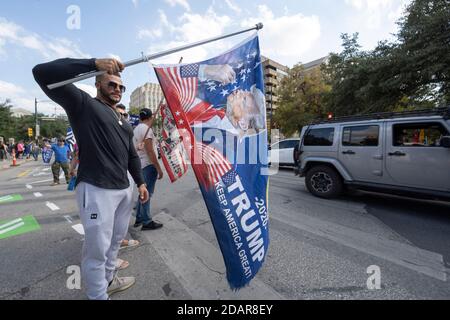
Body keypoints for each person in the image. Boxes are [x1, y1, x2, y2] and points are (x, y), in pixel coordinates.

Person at [33, 57, 149, 300]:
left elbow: (131, 156)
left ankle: (108, 280)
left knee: (116, 242)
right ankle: (98, 295)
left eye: (120, 87)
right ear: (97, 85)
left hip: (123, 189)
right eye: (111, 84)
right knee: (97, 249)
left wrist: (140, 182)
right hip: (96, 189)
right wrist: (93, 63)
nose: (117, 89)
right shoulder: (83, 104)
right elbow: (41, 72)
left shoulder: (123, 121)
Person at [133, 108, 164, 231]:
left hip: (140, 164)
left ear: (140, 118)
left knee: (142, 192)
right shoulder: (147, 130)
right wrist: (159, 168)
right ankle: (146, 221)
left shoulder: (135, 129)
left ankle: (139, 218)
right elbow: (150, 151)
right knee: (147, 194)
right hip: (148, 165)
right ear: (151, 117)